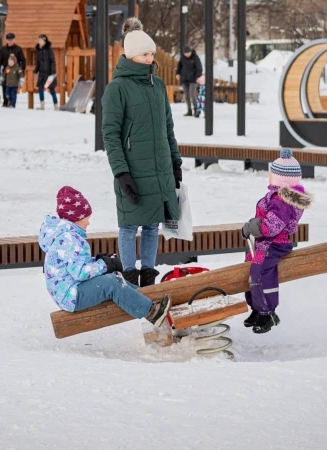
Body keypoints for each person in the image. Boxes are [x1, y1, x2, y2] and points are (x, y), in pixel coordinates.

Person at [102, 17, 182, 288]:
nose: (151, 58)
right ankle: (129, 276)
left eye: (152, 53)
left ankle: (148, 275)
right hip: (133, 170)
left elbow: (167, 129)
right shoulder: (117, 89)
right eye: (146, 54)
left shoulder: (157, 86)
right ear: (133, 55)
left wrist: (175, 163)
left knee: (151, 225)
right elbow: (110, 135)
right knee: (128, 226)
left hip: (159, 169)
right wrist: (121, 173)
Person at [38, 186, 172, 326]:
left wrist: (98, 260)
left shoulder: (66, 236)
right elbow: (79, 272)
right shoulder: (69, 239)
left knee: (115, 279)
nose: (88, 222)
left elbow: (75, 264)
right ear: (76, 218)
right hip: (71, 295)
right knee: (111, 283)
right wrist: (105, 265)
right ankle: (152, 312)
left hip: (70, 291)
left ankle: (147, 298)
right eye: (86, 218)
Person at [239, 148, 312, 334]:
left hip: (274, 244)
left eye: (273, 174)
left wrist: (256, 227)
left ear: (280, 178)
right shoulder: (277, 195)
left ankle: (268, 312)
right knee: (250, 268)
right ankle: (257, 308)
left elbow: (273, 226)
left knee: (259, 271)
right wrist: (252, 226)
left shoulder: (282, 200)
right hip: (263, 242)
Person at [0, 33, 26, 107]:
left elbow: (23, 60)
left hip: (15, 72)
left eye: (11, 40)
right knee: (4, 86)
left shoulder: (18, 49)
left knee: (13, 87)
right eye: (8, 40)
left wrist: (22, 70)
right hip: (6, 70)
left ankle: (12, 102)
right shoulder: (3, 49)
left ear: (14, 40)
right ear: (6, 40)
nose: (10, 41)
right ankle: (6, 101)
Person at [176, 46, 202, 117]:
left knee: (192, 95)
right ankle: (189, 110)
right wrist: (178, 74)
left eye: (188, 53)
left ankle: (196, 110)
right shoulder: (182, 58)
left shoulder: (195, 57)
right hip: (184, 79)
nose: (187, 54)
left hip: (193, 80)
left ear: (191, 52)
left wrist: (197, 77)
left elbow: (199, 68)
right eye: (185, 53)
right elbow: (179, 66)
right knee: (187, 96)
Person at [34, 34, 57, 110]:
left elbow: (53, 61)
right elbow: (38, 62)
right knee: (40, 88)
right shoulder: (39, 51)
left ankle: (56, 105)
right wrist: (35, 71)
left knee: (52, 90)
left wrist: (52, 72)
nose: (39, 41)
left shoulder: (49, 50)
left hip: (49, 74)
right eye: (39, 40)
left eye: (40, 40)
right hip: (41, 74)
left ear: (44, 41)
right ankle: (42, 104)